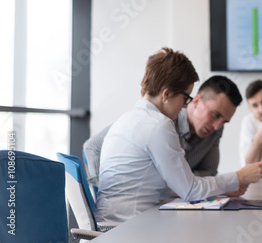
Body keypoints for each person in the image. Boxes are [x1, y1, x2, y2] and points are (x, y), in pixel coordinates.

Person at [95, 48, 262, 223]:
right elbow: (190, 190)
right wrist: (238, 177)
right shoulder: (159, 125)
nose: (185, 105)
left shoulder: (127, 118)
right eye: (185, 98)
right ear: (166, 94)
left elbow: (176, 185)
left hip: (115, 225)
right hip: (130, 228)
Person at [84, 75, 246, 188]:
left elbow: (210, 172)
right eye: (215, 115)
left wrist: (178, 180)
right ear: (196, 101)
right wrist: (105, 190)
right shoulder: (159, 120)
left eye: (224, 121)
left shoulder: (215, 129)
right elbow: (93, 147)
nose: (218, 126)